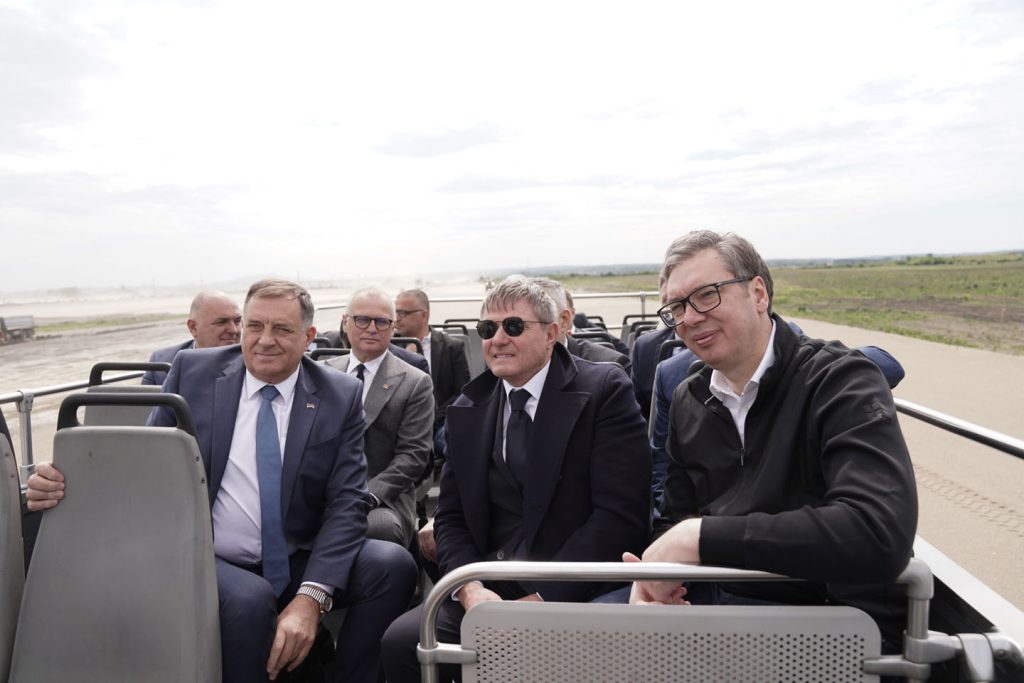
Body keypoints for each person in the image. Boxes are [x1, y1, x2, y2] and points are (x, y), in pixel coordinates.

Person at [26, 279, 417, 683]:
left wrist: (311, 597)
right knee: (250, 600)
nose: (265, 340)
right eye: (254, 326)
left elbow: (346, 502)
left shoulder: (339, 394)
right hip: (210, 553)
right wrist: (60, 478)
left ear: (309, 337)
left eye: (282, 329)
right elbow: (141, 461)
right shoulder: (194, 373)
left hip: (297, 553)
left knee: (392, 566)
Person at [627, 231, 917, 645]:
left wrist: (697, 536)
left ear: (758, 293)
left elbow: (875, 530)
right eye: (675, 307)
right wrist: (656, 588)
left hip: (836, 629)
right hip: (719, 619)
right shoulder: (689, 398)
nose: (689, 318)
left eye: (707, 295)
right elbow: (675, 519)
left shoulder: (840, 381)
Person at [380, 277, 651, 683]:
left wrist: (542, 597)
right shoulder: (470, 405)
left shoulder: (604, 390)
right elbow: (451, 517)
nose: (498, 339)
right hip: (490, 587)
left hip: (575, 585)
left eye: (514, 326)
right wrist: (471, 591)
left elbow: (621, 516)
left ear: (552, 333)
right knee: (403, 643)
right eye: (488, 329)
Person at [323, 288, 434, 547]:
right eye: (362, 320)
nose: (372, 328)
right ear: (346, 321)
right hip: (325, 491)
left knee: (379, 529)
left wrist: (366, 495)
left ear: (393, 327)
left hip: (382, 498)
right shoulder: (323, 374)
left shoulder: (415, 382)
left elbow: (413, 456)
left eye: (382, 322)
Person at [393, 288, 470, 432]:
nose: (397, 318)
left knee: (452, 440)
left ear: (423, 315)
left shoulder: (451, 347)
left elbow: (462, 392)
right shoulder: (391, 347)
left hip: (440, 420)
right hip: (399, 422)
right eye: (396, 312)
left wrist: (433, 417)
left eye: (403, 313)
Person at [531, 277, 631, 373]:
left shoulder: (611, 366)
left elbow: (622, 347)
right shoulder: (516, 366)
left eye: (527, 324)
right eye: (514, 325)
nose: (515, 336)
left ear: (564, 320)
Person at [141, 290, 242, 386]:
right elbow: (144, 403)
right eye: (221, 322)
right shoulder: (163, 363)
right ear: (193, 327)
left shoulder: (251, 362)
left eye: (237, 321)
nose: (234, 330)